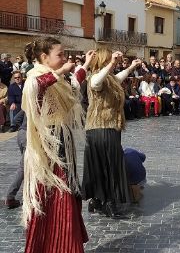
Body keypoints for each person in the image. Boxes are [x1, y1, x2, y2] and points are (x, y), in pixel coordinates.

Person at [22, 37, 91, 252]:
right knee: (54, 195)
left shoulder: (58, 80)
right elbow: (36, 89)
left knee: (67, 192)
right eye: (59, 55)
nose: (64, 58)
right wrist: (61, 72)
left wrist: (85, 65)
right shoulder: (34, 76)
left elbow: (73, 87)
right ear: (44, 57)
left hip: (62, 141)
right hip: (47, 147)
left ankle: (62, 244)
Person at [82, 48, 140, 218]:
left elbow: (118, 77)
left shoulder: (110, 78)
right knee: (107, 167)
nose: (112, 63)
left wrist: (131, 68)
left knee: (106, 166)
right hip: (101, 129)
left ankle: (98, 200)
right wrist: (113, 63)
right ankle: (108, 202)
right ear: (103, 61)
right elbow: (96, 83)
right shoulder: (95, 77)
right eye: (109, 60)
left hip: (109, 128)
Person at [4, 109, 26, 209]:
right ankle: (10, 196)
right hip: (30, 135)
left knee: (27, 166)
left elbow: (16, 119)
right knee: (24, 167)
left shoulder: (28, 103)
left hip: (21, 134)